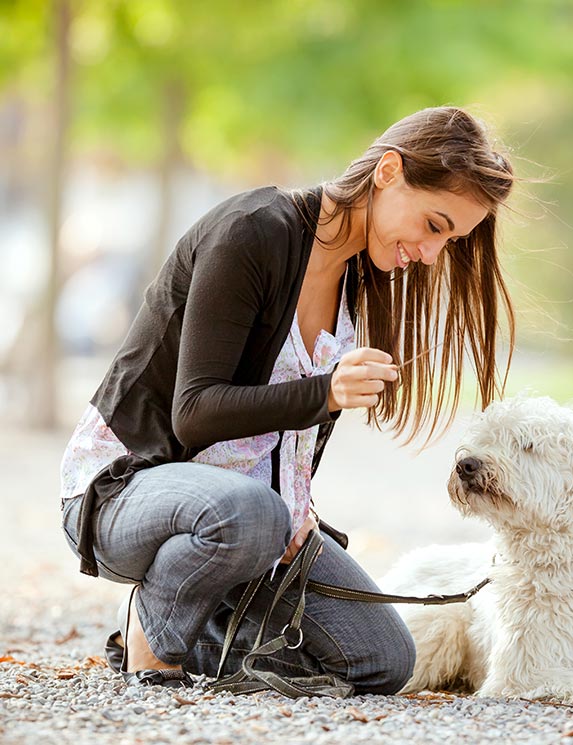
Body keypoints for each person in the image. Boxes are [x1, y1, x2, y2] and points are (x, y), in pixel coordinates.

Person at [59, 105, 515, 692]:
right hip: (126, 490)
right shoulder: (254, 231)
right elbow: (194, 413)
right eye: (434, 224)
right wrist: (324, 393)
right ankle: (153, 636)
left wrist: (297, 513)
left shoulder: (359, 276)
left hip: (251, 518)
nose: (431, 253)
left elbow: (288, 440)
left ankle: (198, 628)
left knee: (383, 660)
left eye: (449, 240)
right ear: (388, 172)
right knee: (252, 513)